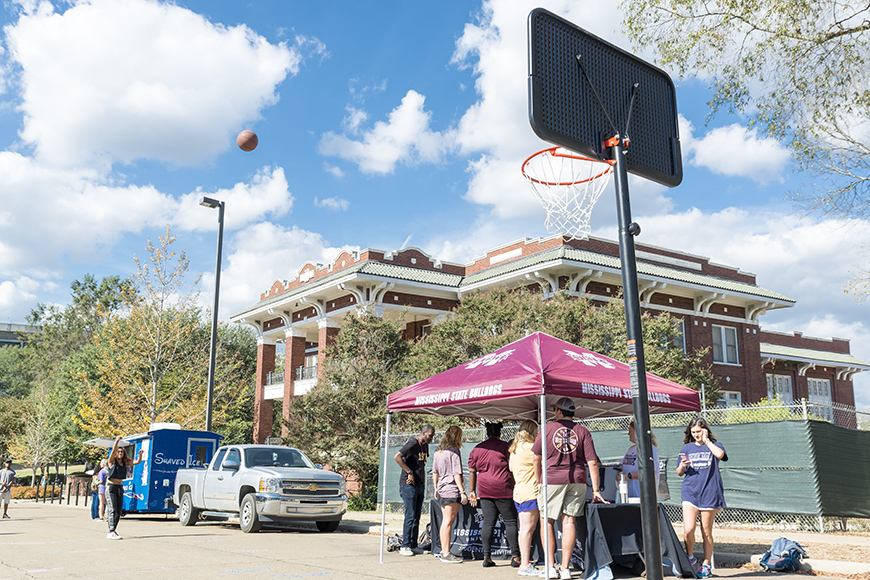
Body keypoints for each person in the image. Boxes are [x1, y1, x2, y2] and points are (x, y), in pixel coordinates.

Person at [533, 397, 604, 580]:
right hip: (577, 480)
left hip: (552, 479)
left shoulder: (546, 429)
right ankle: (565, 568)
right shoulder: (583, 431)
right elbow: (592, 462)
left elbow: (536, 458)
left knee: (546, 521)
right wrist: (596, 490)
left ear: (558, 411)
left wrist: (538, 479)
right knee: (569, 521)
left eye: (554, 409)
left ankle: (550, 567)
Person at [677, 417, 727, 579]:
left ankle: (706, 565)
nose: (696, 435)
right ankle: (690, 557)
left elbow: (720, 455)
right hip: (690, 492)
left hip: (709, 493)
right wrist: (682, 466)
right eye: (693, 432)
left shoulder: (714, 445)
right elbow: (679, 472)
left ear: (705, 430)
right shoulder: (687, 447)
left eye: (699, 431)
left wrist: (706, 441)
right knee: (688, 530)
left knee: (706, 531)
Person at [468, 421, 520, 568]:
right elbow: (513, 467)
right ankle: (516, 557)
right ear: (500, 433)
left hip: (484, 490)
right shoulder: (505, 447)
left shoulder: (477, 448)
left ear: (487, 432)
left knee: (488, 522)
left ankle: (487, 557)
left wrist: (472, 491)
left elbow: (472, 471)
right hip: (503, 489)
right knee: (510, 522)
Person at [394, 424, 435, 557]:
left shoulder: (425, 446)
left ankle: (413, 545)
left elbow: (422, 465)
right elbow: (397, 457)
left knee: (417, 516)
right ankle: (405, 545)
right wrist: (409, 472)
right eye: (430, 436)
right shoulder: (412, 443)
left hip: (419, 485)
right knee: (410, 516)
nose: (431, 438)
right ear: (423, 433)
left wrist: (423, 482)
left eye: (432, 436)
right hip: (408, 485)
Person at [432, 425, 468, 564]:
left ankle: (444, 551)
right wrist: (462, 491)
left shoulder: (438, 451)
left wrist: (435, 487)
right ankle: (446, 553)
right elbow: (456, 473)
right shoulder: (454, 451)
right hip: (451, 489)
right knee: (448, 522)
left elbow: (435, 471)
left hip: (441, 489)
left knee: (445, 522)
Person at [509, 420, 540, 577]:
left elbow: (511, 468)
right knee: (528, 529)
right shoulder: (529, 448)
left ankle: (524, 562)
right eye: (536, 431)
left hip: (519, 492)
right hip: (530, 492)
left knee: (524, 529)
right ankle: (525, 564)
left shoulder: (514, 448)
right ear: (532, 431)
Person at [105, 436, 144, 540]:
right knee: (112, 509)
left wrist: (140, 455)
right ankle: (111, 531)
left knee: (118, 510)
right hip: (111, 487)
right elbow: (113, 451)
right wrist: (117, 441)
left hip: (119, 487)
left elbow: (137, 462)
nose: (120, 453)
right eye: (119, 452)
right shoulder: (112, 462)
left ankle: (113, 531)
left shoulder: (125, 463)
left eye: (122, 452)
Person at [620, 417, 660, 499]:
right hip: (629, 496)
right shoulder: (631, 449)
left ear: (637, 432)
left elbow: (651, 472)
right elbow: (621, 466)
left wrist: (629, 476)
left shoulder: (650, 448)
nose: (628, 434)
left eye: (630, 431)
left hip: (643, 497)